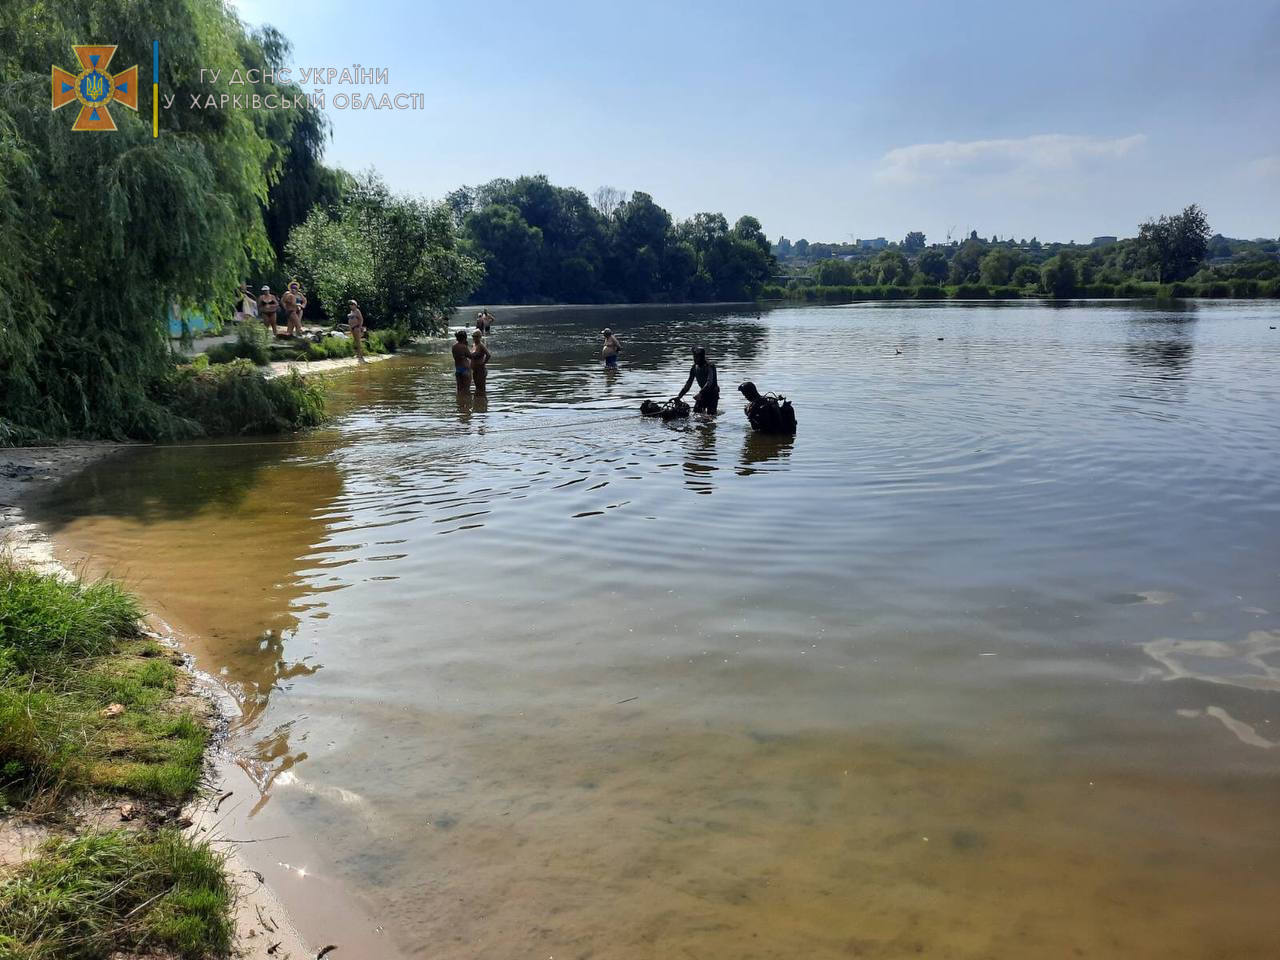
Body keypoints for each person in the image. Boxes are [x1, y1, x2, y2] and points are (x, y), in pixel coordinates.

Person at [675, 346, 719, 414]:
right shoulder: (694, 367)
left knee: (711, 416)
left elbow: (709, 382)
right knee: (696, 413)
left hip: (712, 395)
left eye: (696, 357)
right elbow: (688, 384)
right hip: (702, 394)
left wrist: (700, 393)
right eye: (694, 357)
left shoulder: (710, 366)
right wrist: (679, 396)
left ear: (702, 357)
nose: (694, 359)